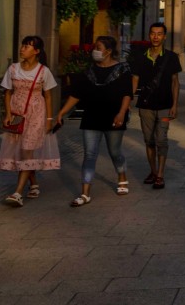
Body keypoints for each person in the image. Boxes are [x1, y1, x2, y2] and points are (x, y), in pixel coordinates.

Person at [55, 36, 132, 207]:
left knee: (115, 152)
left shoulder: (122, 70)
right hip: (91, 117)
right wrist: (62, 112)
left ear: (109, 51)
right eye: (95, 47)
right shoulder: (88, 72)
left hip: (114, 117)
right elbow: (76, 95)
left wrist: (121, 113)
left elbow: (127, 94)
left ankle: (122, 176)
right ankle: (85, 193)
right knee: (89, 154)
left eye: (98, 47)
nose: (95, 51)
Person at [0, 36, 61, 206]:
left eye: (27, 46)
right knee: (21, 151)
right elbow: (7, 92)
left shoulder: (43, 71)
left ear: (37, 51)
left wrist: (49, 119)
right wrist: (7, 114)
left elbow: (48, 96)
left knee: (27, 150)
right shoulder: (13, 69)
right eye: (23, 45)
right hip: (17, 113)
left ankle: (18, 193)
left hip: (36, 114)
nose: (22, 48)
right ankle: (33, 183)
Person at [130, 23, 182, 189]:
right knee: (149, 140)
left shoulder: (171, 57)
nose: (156, 36)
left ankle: (160, 174)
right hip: (145, 106)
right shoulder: (140, 56)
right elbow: (135, 79)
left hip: (165, 106)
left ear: (164, 36)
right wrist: (128, 101)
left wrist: (175, 104)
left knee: (161, 139)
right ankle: (153, 171)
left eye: (159, 34)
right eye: (153, 33)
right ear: (149, 35)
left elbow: (175, 82)